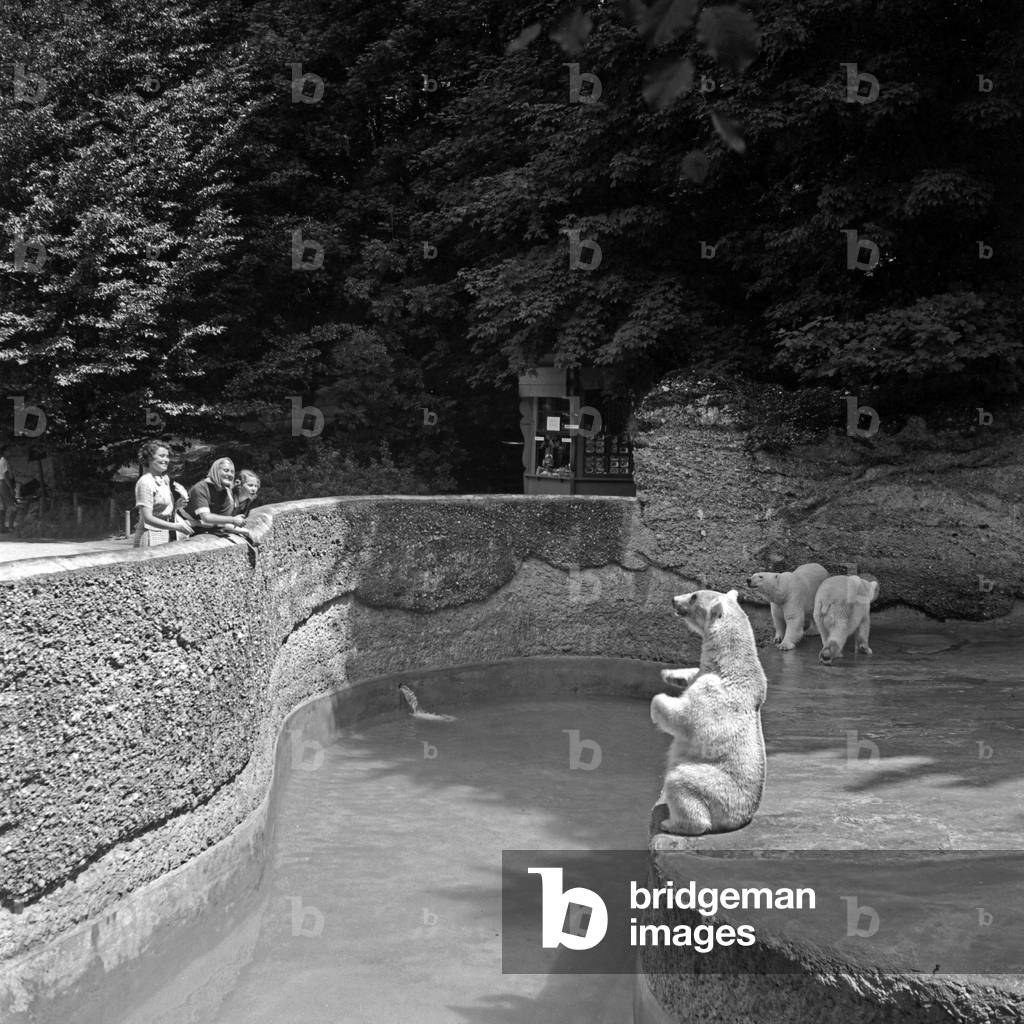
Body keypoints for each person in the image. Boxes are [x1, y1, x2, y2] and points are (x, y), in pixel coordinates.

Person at [133, 440, 194, 548]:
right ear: (149, 458)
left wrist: (176, 506)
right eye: (161, 456)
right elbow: (148, 518)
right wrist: (176, 527)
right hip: (149, 536)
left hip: (165, 535)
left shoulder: (164, 481)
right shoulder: (145, 482)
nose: (166, 460)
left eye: (167, 456)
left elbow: (162, 512)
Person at [183, 457, 250, 538]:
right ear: (216, 471)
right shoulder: (201, 488)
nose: (229, 474)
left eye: (232, 472)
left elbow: (221, 524)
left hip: (202, 529)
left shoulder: (227, 493)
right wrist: (232, 520)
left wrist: (246, 531)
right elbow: (206, 518)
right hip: (183, 526)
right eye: (226, 470)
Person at [0, 445, 19, 533]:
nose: (10, 452)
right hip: (4, 484)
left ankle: (2, 527)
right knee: (14, 507)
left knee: (3, 507)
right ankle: (10, 527)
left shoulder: (3, 460)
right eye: (9, 450)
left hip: (2, 484)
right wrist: (11, 488)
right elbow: (6, 475)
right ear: (4, 451)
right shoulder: (3, 461)